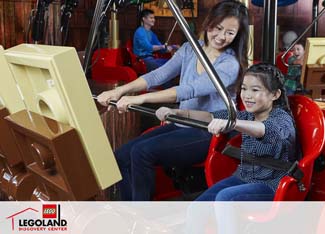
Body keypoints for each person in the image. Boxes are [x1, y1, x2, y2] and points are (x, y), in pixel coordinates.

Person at [96, 0, 249, 201]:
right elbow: (158, 76)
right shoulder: (190, 49)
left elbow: (189, 90)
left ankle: (140, 217)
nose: (221, 37)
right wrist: (120, 91)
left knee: (142, 153)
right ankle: (129, 211)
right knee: (121, 156)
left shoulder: (229, 64)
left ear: (237, 35)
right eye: (218, 28)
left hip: (208, 131)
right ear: (209, 22)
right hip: (182, 122)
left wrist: (140, 99)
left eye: (230, 32)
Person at [161, 63, 297, 234]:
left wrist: (233, 123)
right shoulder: (247, 115)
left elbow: (264, 129)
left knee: (224, 198)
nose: (247, 95)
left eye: (255, 90)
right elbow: (210, 116)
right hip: (244, 176)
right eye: (244, 89)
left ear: (275, 94)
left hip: (273, 183)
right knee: (196, 208)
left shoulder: (281, 119)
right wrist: (179, 114)